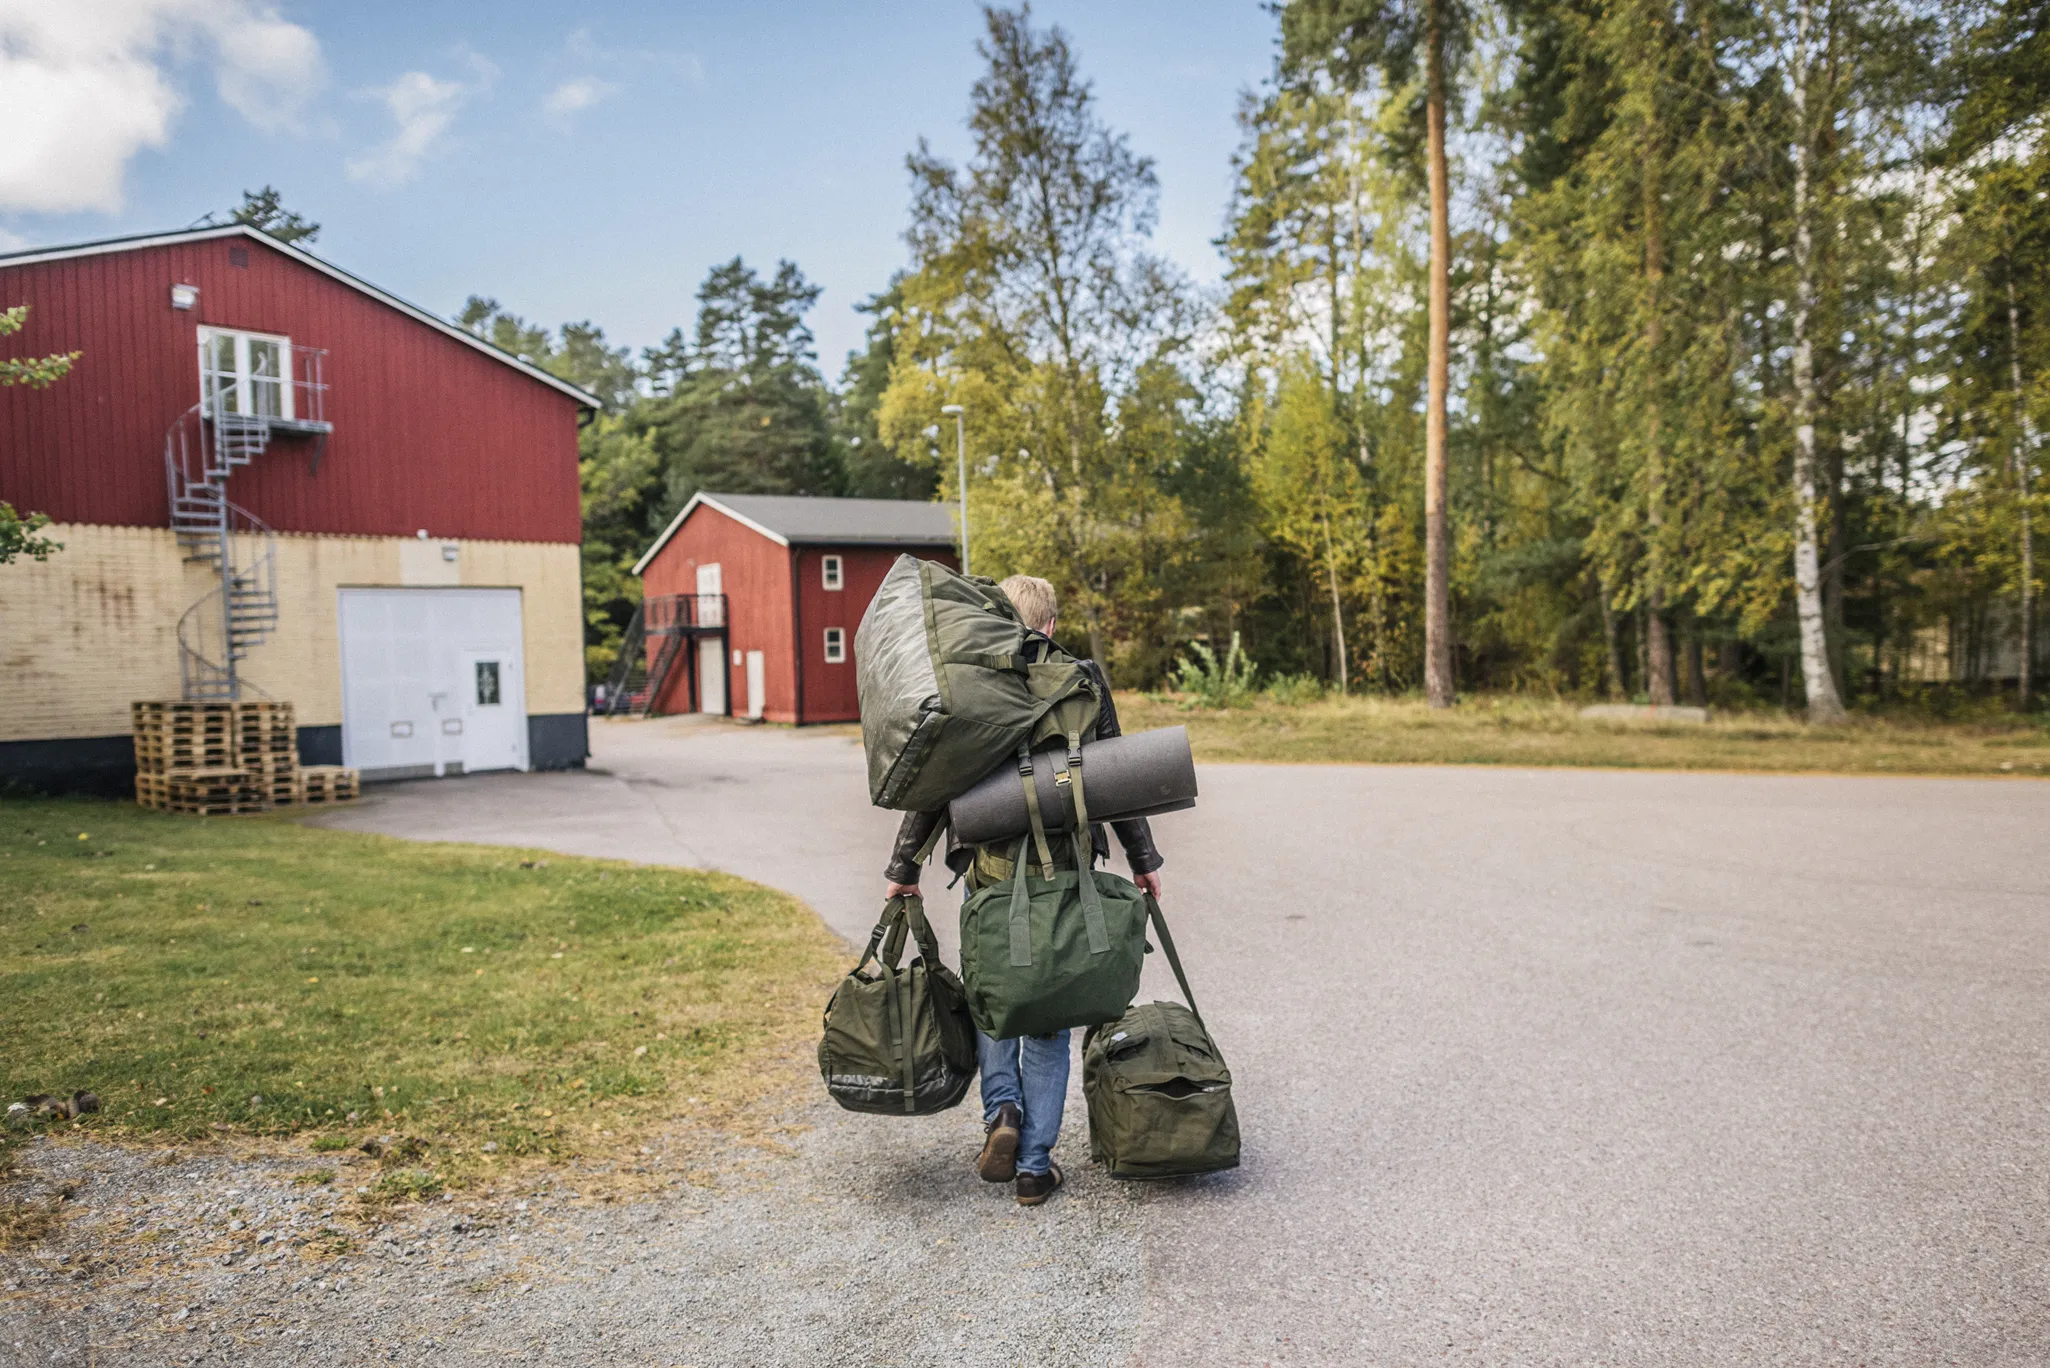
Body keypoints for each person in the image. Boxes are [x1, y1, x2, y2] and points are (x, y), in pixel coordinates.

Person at [883, 573, 1163, 1206]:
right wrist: (1143, 859)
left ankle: (1000, 1115)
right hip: (1067, 876)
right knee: (1048, 1019)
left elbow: (932, 787)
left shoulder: (969, 686)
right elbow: (1116, 777)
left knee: (995, 1000)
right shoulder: (1083, 680)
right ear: (1052, 625)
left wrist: (904, 867)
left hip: (990, 879)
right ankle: (1035, 1165)